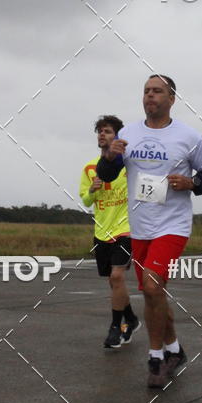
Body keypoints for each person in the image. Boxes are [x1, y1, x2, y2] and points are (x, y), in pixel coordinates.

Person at [96, 75, 202, 389]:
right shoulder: (129, 133)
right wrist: (109, 156)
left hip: (173, 225)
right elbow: (108, 173)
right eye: (146, 91)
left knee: (152, 289)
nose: (150, 96)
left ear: (172, 98)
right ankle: (176, 350)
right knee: (154, 294)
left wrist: (192, 183)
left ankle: (156, 358)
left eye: (157, 91)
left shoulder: (188, 136)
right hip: (140, 227)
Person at [79, 116, 139, 349]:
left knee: (117, 277)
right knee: (114, 283)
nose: (102, 135)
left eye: (107, 131)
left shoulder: (127, 165)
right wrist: (92, 191)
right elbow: (85, 200)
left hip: (126, 230)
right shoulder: (90, 168)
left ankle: (116, 327)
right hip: (101, 231)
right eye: (100, 132)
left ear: (118, 137)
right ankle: (131, 319)